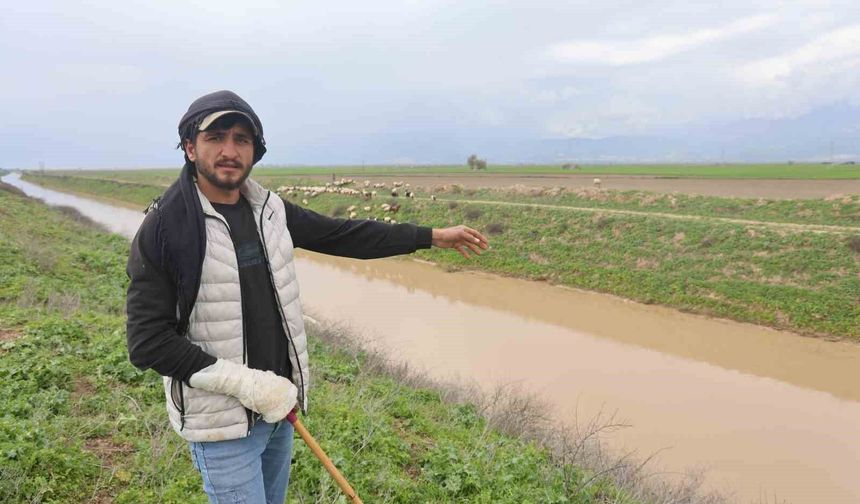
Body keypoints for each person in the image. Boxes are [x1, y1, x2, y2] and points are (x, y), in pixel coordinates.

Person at [125, 90, 489, 503]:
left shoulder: (269, 211)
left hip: (279, 412)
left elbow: (343, 235)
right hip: (223, 427)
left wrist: (431, 237)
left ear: (255, 152)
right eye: (216, 137)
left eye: (242, 139)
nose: (229, 150)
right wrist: (247, 385)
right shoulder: (165, 228)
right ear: (191, 147)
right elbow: (148, 343)